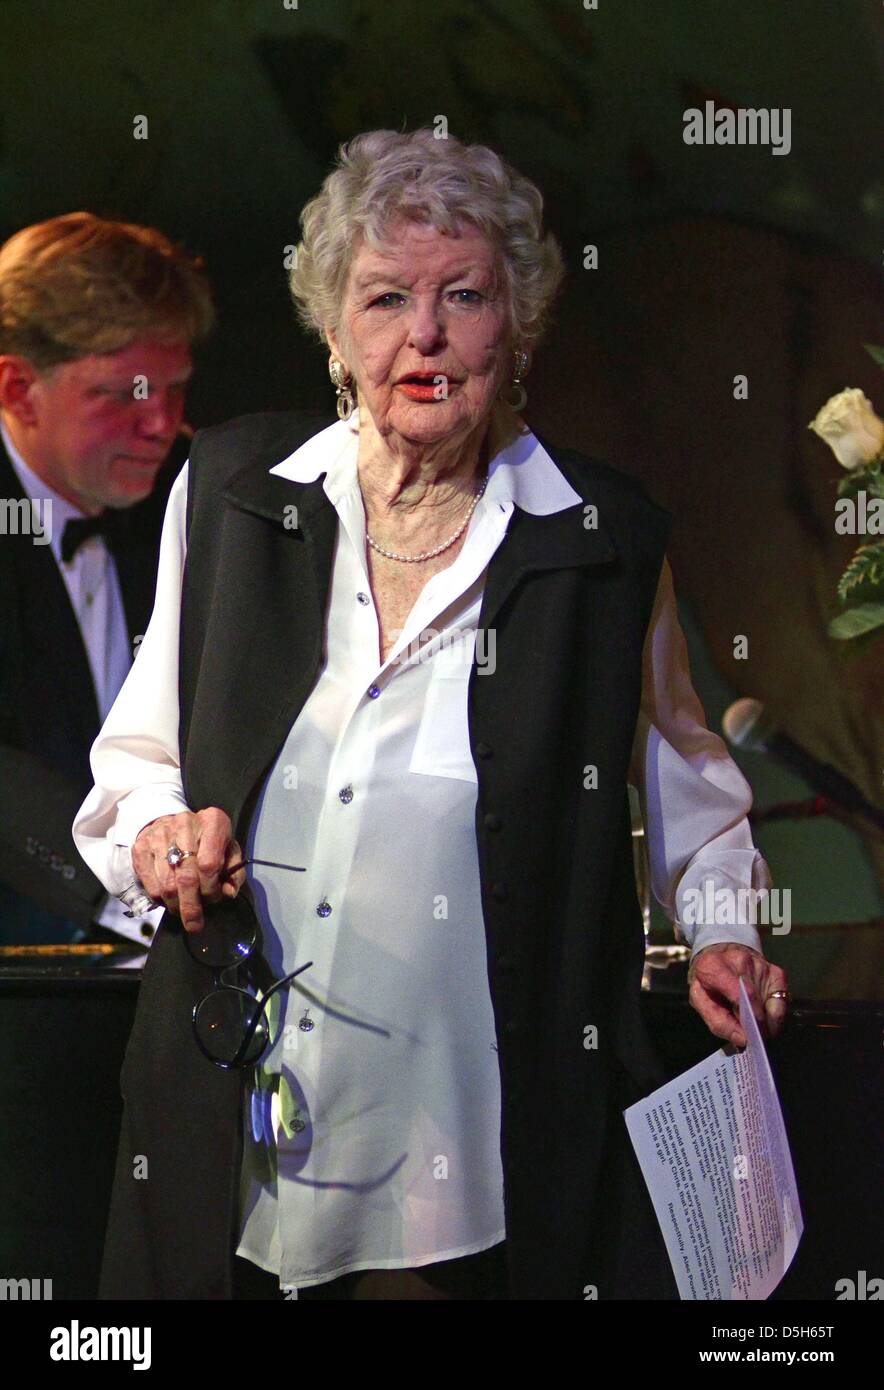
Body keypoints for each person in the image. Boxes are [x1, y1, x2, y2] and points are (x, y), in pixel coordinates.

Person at [73, 129, 789, 1301]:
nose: (425, 333)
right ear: (335, 330)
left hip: (463, 1147)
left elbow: (688, 789)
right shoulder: (235, 494)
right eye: (386, 297)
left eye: (464, 295)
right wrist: (159, 838)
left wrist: (725, 928)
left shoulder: (598, 541)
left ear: (516, 324)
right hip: (225, 1112)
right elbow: (138, 753)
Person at [0, 212, 213, 946]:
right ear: (18, 388)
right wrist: (135, 902)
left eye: (175, 389)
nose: (161, 424)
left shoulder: (201, 492)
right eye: (125, 393)